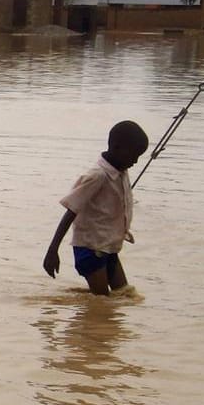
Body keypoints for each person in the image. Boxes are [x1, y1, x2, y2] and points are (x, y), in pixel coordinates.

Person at [43, 120, 149, 296]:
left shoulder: (120, 171)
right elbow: (71, 211)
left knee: (125, 295)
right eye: (133, 156)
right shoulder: (97, 176)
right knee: (102, 301)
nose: (136, 161)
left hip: (109, 247)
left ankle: (76, 297)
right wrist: (53, 250)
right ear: (116, 148)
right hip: (91, 249)